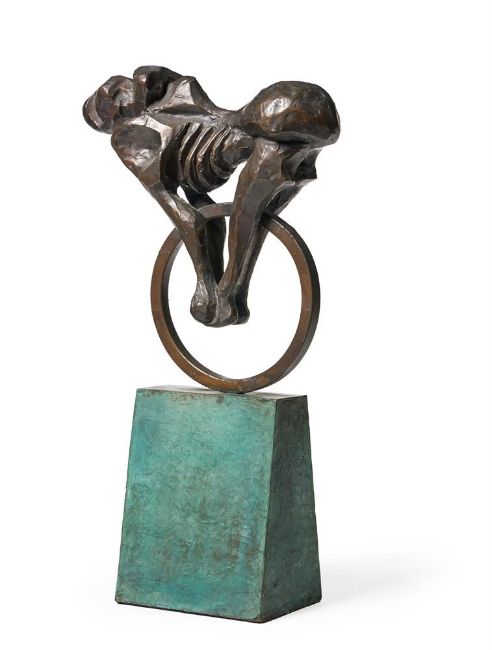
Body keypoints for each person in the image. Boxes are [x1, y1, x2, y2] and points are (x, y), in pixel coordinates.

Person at [83, 66, 340, 326]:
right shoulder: (158, 117)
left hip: (279, 118)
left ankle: (227, 294)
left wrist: (204, 286)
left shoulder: (139, 133)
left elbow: (190, 220)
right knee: (254, 219)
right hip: (317, 121)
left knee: (247, 215)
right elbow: (205, 218)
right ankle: (229, 296)